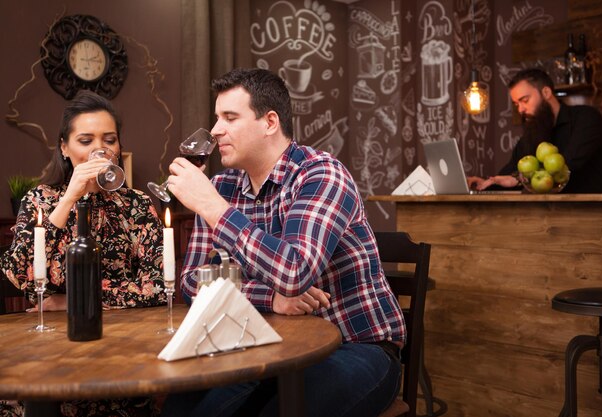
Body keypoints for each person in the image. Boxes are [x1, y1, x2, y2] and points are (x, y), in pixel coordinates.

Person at [161, 68, 405, 417]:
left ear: (270, 122)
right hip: (266, 346)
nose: (215, 131)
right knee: (180, 407)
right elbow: (192, 281)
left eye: (230, 117)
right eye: (217, 118)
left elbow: (295, 271)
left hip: (356, 346)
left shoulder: (320, 174)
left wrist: (214, 208)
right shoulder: (223, 185)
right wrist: (271, 298)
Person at [0, 90, 165, 417]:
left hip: (123, 350)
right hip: (49, 353)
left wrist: (74, 301)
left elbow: (159, 288)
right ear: (64, 147)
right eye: (86, 140)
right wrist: (68, 200)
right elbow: (18, 277)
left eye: (110, 140)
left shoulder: (137, 206)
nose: (99, 150)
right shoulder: (39, 201)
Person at [468, 67, 602, 193]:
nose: (520, 109)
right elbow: (509, 172)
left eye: (525, 100)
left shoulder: (586, 118)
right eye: (516, 104)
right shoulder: (532, 134)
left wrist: (517, 178)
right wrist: (486, 183)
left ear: (546, 93)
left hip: (601, 213)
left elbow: (563, 168)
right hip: (552, 217)